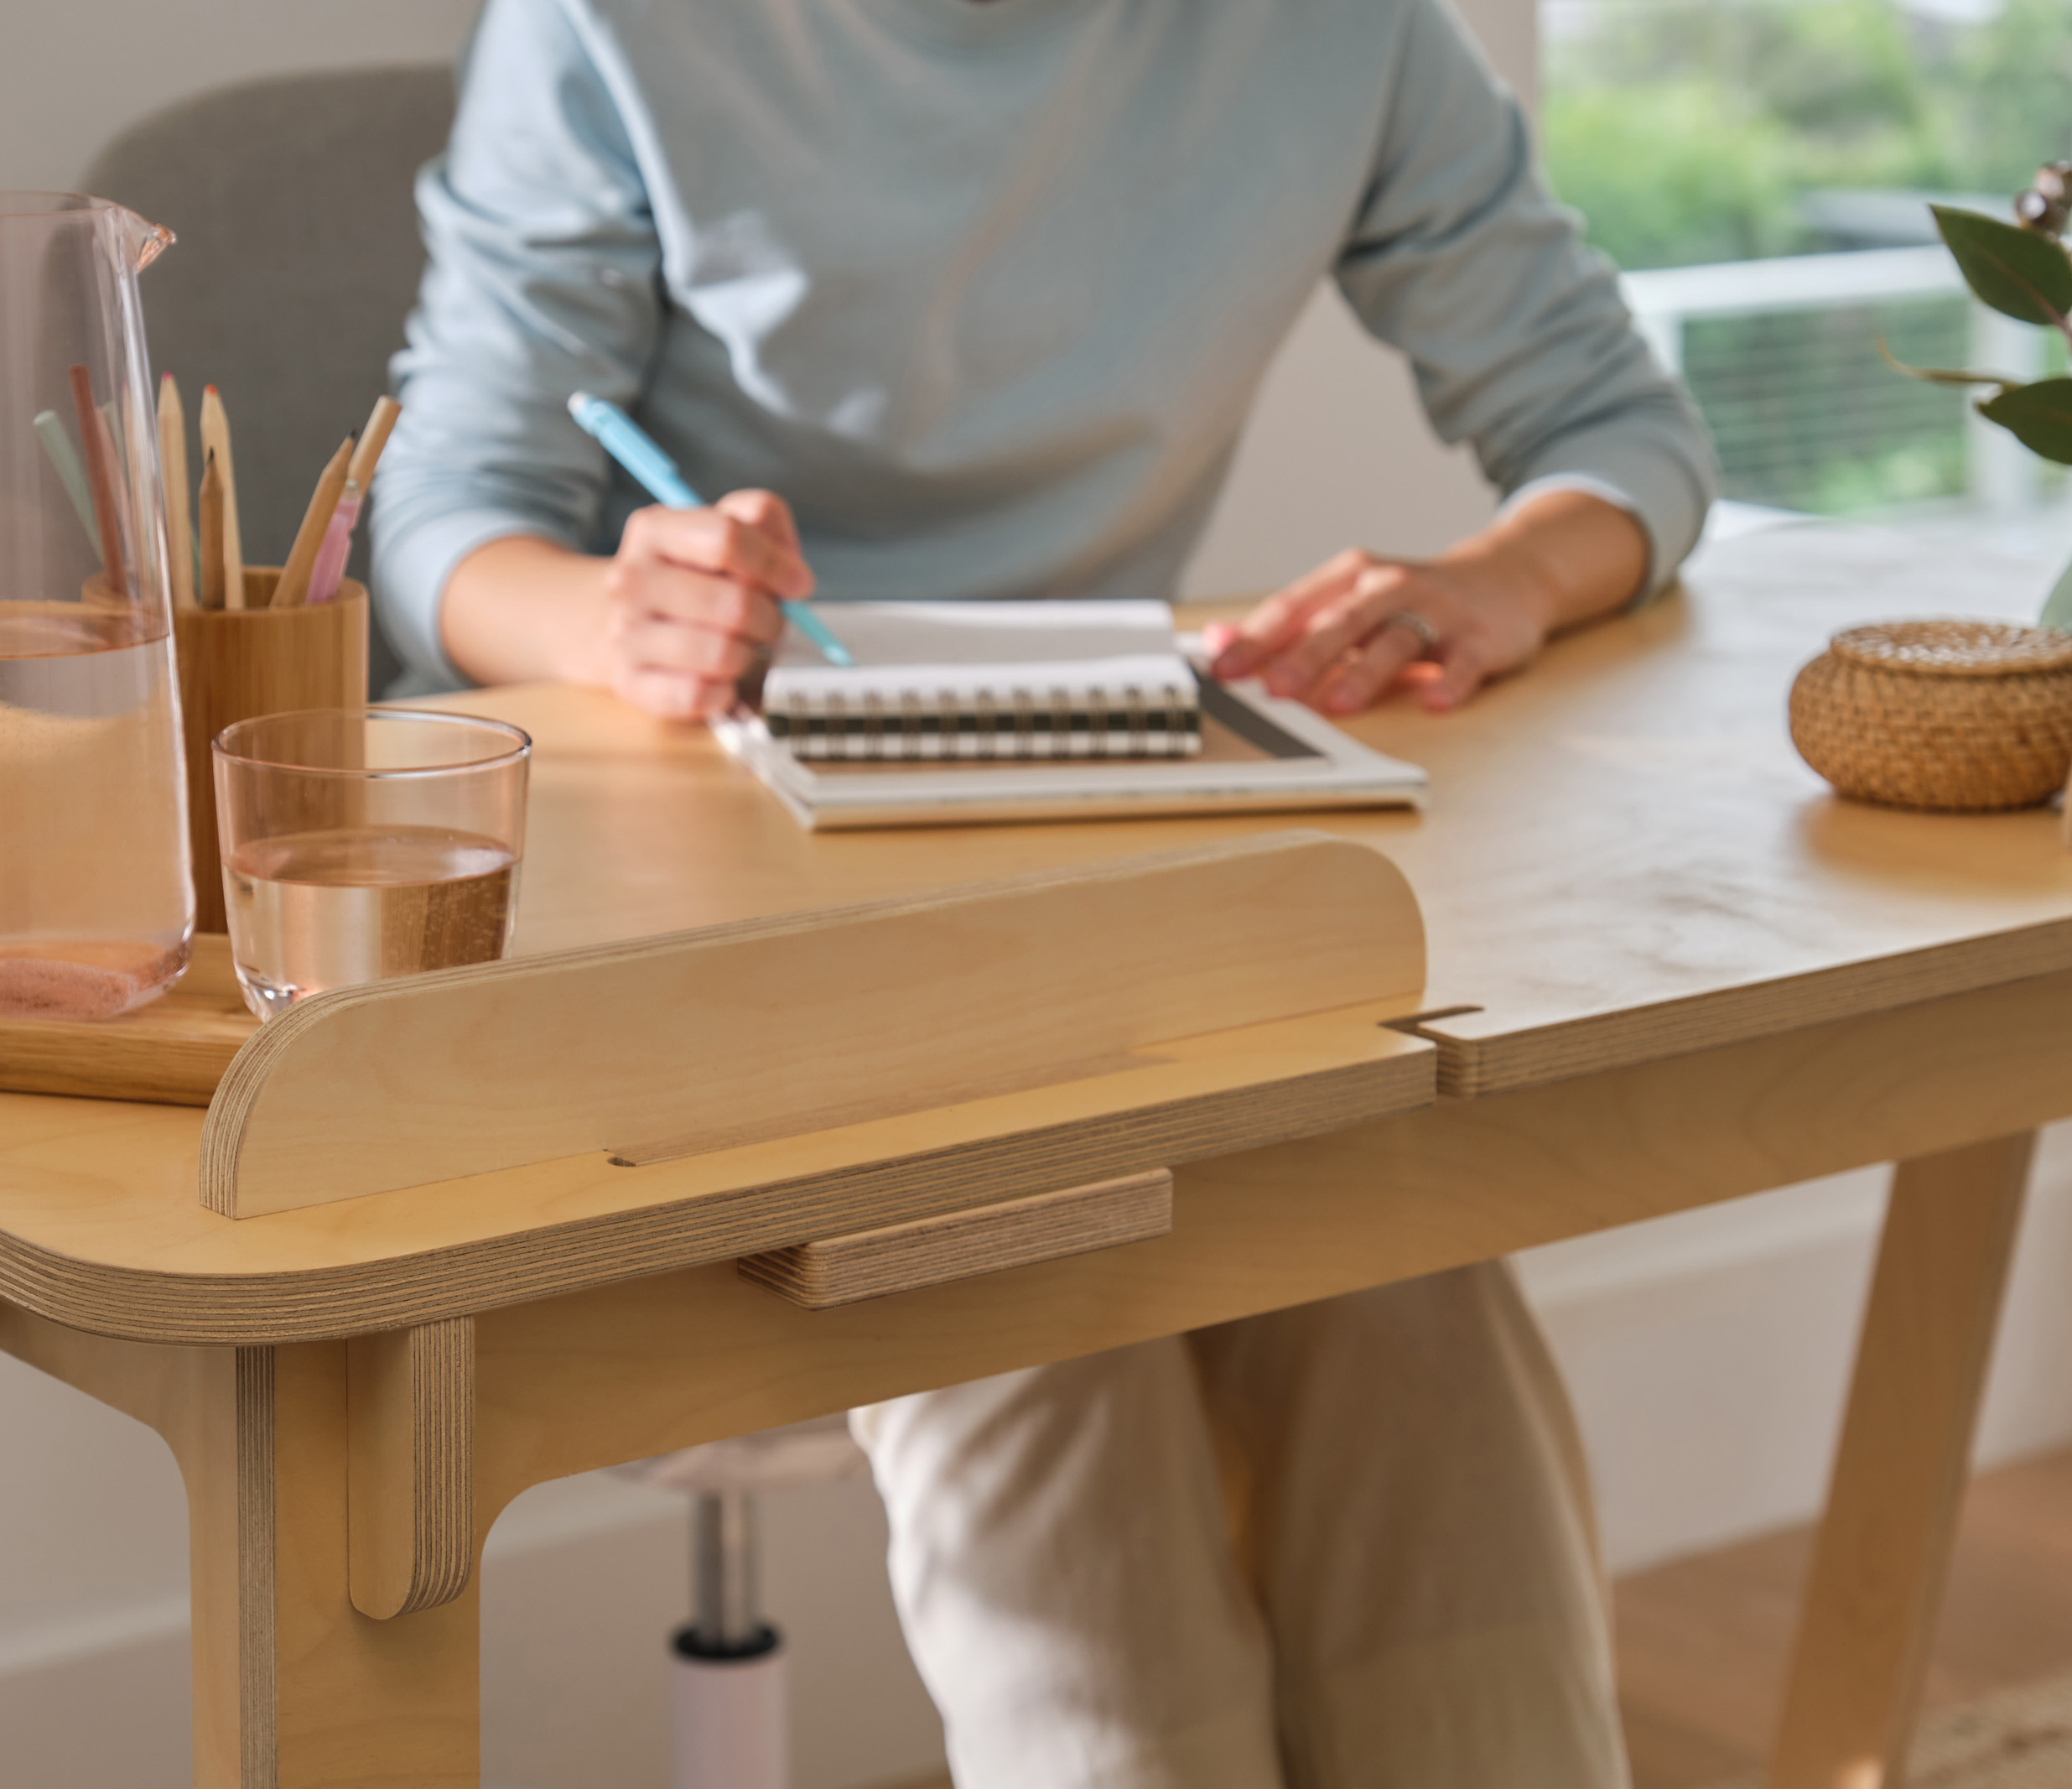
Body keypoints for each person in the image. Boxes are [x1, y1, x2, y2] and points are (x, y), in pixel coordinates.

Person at [374, 1, 1716, 1781]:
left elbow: (1617, 430)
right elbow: (445, 514)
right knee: (1037, 1313)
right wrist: (614, 615)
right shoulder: (610, 27)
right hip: (708, 885)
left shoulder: (1338, 32)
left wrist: (1500, 578)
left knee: (1398, 1264)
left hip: (1113, 851)